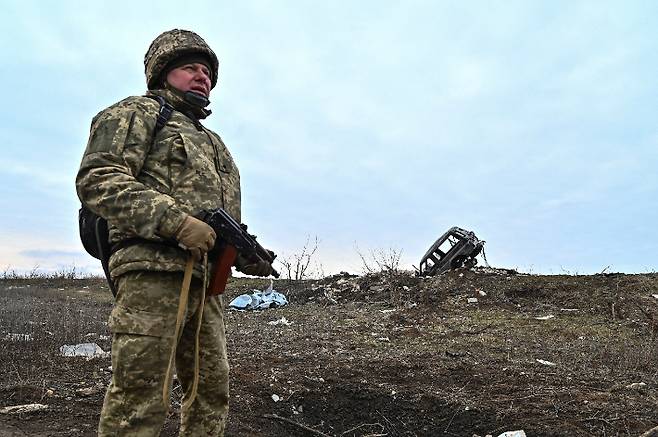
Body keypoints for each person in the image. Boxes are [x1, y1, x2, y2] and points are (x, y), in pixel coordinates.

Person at [76, 29, 273, 436]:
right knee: (140, 396)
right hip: (152, 275)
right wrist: (176, 222)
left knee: (211, 391)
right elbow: (98, 179)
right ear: (162, 72)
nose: (202, 76)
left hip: (206, 286)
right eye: (190, 68)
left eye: (207, 72)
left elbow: (218, 219)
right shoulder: (138, 113)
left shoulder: (215, 143)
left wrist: (245, 254)